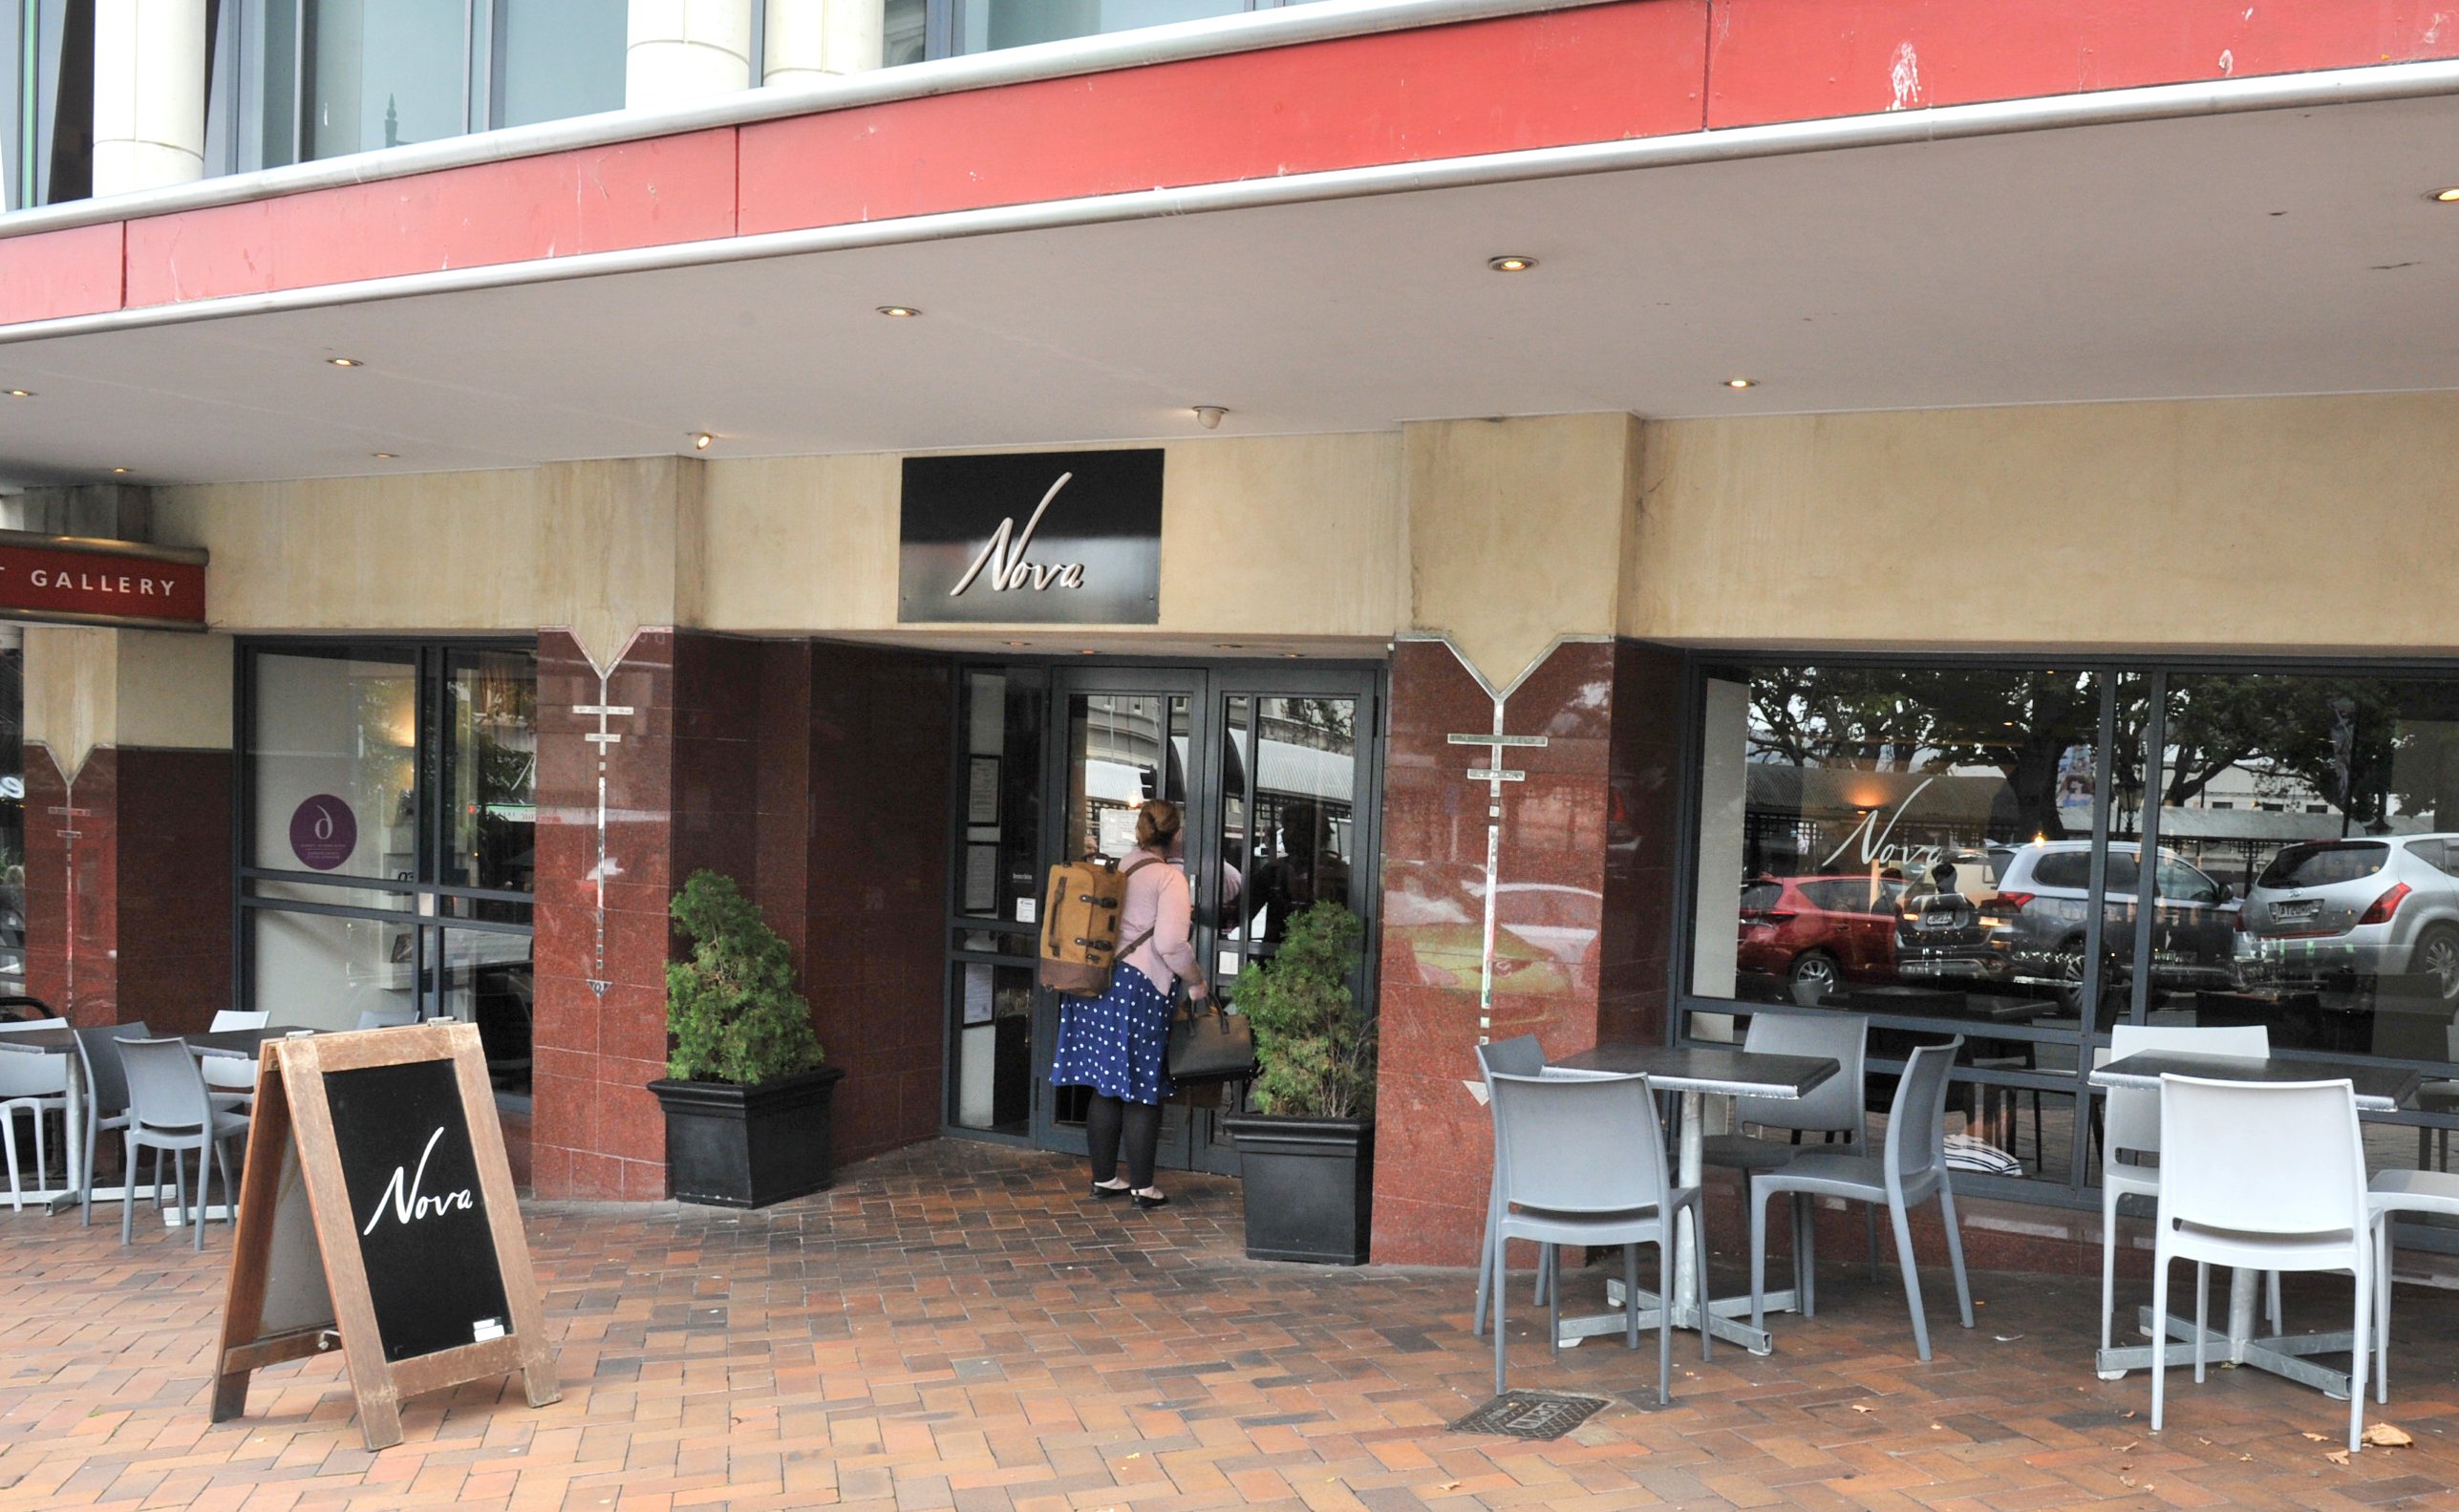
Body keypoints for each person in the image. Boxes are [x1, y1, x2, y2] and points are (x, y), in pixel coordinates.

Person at [1049, 799, 1210, 1209]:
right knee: (1141, 1087)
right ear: (1175, 834)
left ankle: (1105, 1179)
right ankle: (1143, 1187)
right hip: (1140, 989)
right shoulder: (1169, 878)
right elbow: (1170, 943)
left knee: (1105, 1086)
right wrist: (1196, 982)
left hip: (1101, 981)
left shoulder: (1121, 866)